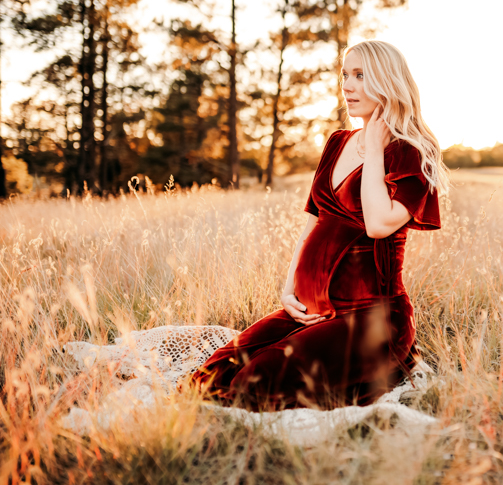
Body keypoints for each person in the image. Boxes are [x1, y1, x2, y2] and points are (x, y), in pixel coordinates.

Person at [187, 40, 451, 411]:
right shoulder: (338, 142)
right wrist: (289, 286)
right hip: (311, 310)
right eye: (345, 75)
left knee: (253, 384)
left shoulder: (410, 150)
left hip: (372, 321)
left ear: (388, 81)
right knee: (212, 374)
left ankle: (390, 366)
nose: (348, 85)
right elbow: (312, 219)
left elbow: (377, 225)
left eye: (360, 75)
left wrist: (375, 148)